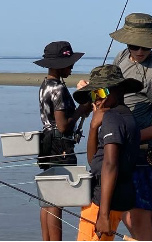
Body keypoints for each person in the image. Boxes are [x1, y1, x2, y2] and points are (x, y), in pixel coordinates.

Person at [112, 13, 152, 240]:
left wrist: (133, 137)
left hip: (140, 155)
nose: (140, 51)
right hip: (117, 151)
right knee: (124, 214)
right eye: (135, 45)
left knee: (139, 221)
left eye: (146, 46)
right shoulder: (121, 56)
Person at [73, 65, 142, 242]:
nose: (96, 100)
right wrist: (93, 127)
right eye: (93, 95)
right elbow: (94, 160)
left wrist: (103, 215)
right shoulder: (126, 116)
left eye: (101, 93)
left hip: (102, 203)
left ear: (119, 90)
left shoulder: (112, 119)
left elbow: (110, 165)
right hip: (114, 199)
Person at [34, 41, 93, 241]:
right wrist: (81, 110)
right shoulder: (58, 88)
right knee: (57, 200)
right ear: (58, 65)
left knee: (48, 199)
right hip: (60, 145)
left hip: (46, 142)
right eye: (68, 63)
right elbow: (63, 125)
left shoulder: (45, 84)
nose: (72, 67)